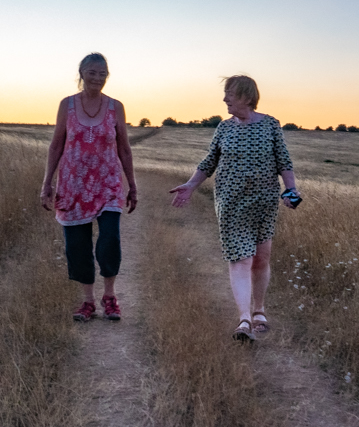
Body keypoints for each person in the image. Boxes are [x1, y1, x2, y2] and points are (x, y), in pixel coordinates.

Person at [169, 74, 300, 341]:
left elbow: (283, 161)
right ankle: (244, 320)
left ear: (247, 97)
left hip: (264, 203)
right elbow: (209, 161)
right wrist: (191, 185)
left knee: (261, 259)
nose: (225, 98)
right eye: (226, 93)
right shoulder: (224, 129)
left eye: (230, 93)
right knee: (241, 259)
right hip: (231, 203)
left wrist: (291, 190)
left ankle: (259, 310)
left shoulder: (271, 125)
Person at [41, 53, 138, 322]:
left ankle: (110, 297)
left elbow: (124, 149)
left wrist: (132, 186)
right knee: (77, 245)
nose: (98, 78)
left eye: (103, 73)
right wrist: (47, 183)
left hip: (108, 183)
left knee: (110, 240)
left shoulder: (115, 107)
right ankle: (87, 301)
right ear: (82, 73)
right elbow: (56, 145)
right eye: (93, 72)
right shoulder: (67, 105)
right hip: (72, 185)